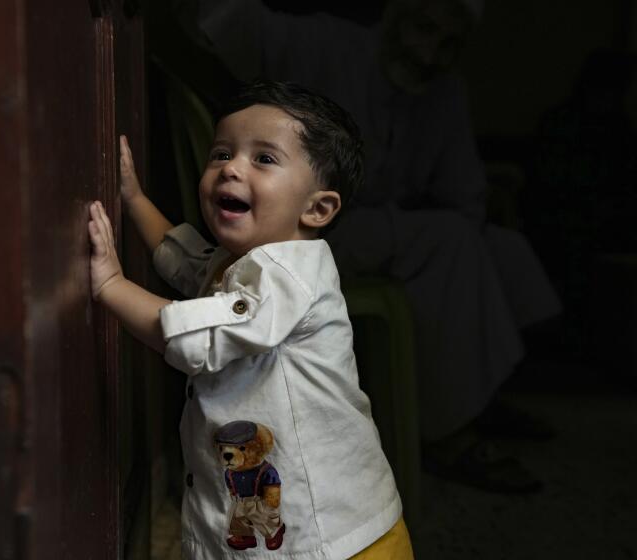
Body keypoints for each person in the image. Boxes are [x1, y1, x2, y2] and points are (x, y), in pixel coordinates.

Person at [192, 0, 562, 492]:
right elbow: (218, 23)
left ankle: (479, 395)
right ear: (395, 15)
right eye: (423, 28)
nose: (430, 53)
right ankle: (452, 431)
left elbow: (465, 192)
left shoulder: (445, 91)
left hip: (387, 230)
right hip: (311, 231)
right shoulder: (328, 42)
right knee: (450, 241)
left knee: (500, 246)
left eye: (449, 43)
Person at [88, 81, 414, 559]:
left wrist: (110, 287)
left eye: (264, 159)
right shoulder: (239, 263)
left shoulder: (291, 275)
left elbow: (203, 334)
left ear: (317, 208)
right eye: (221, 153)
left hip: (333, 538)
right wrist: (134, 198)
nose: (231, 169)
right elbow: (183, 259)